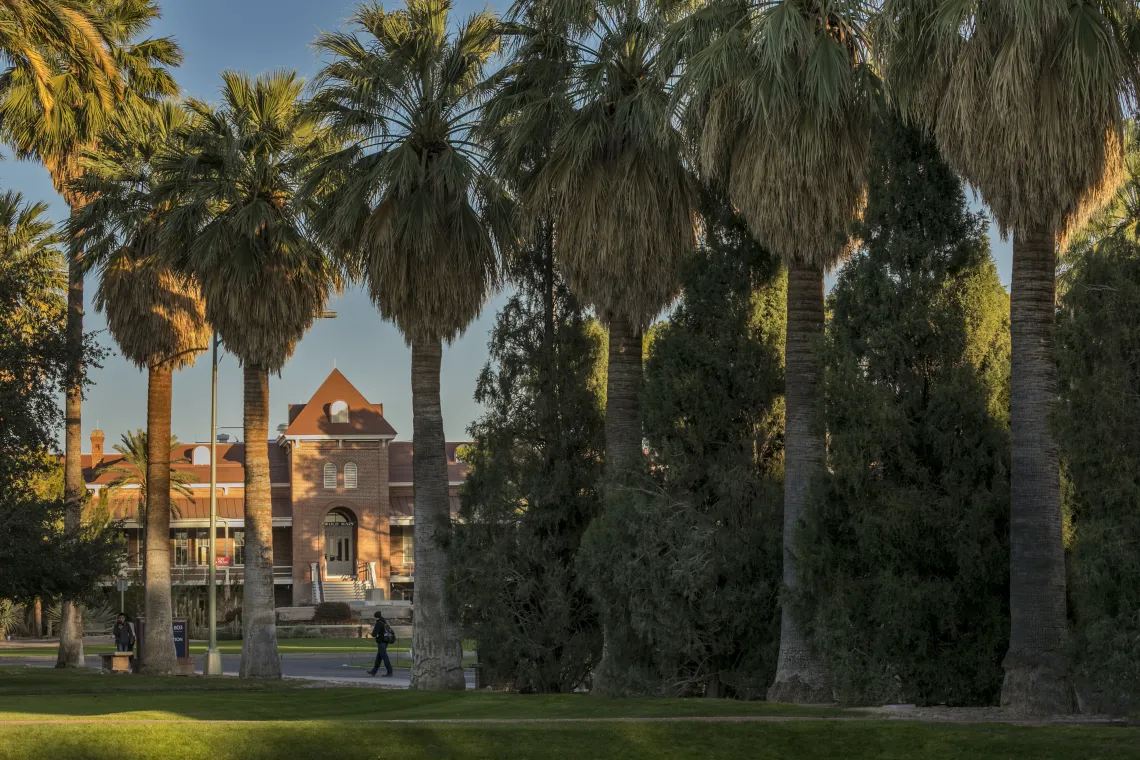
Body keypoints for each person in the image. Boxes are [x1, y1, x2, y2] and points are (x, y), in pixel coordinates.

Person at [368, 610, 394, 677]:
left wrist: (370, 633)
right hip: (385, 642)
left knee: (384, 657)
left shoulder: (379, 623)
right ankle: (374, 671)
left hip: (381, 642)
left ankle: (389, 672)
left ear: (376, 617)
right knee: (378, 658)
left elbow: (374, 634)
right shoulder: (384, 622)